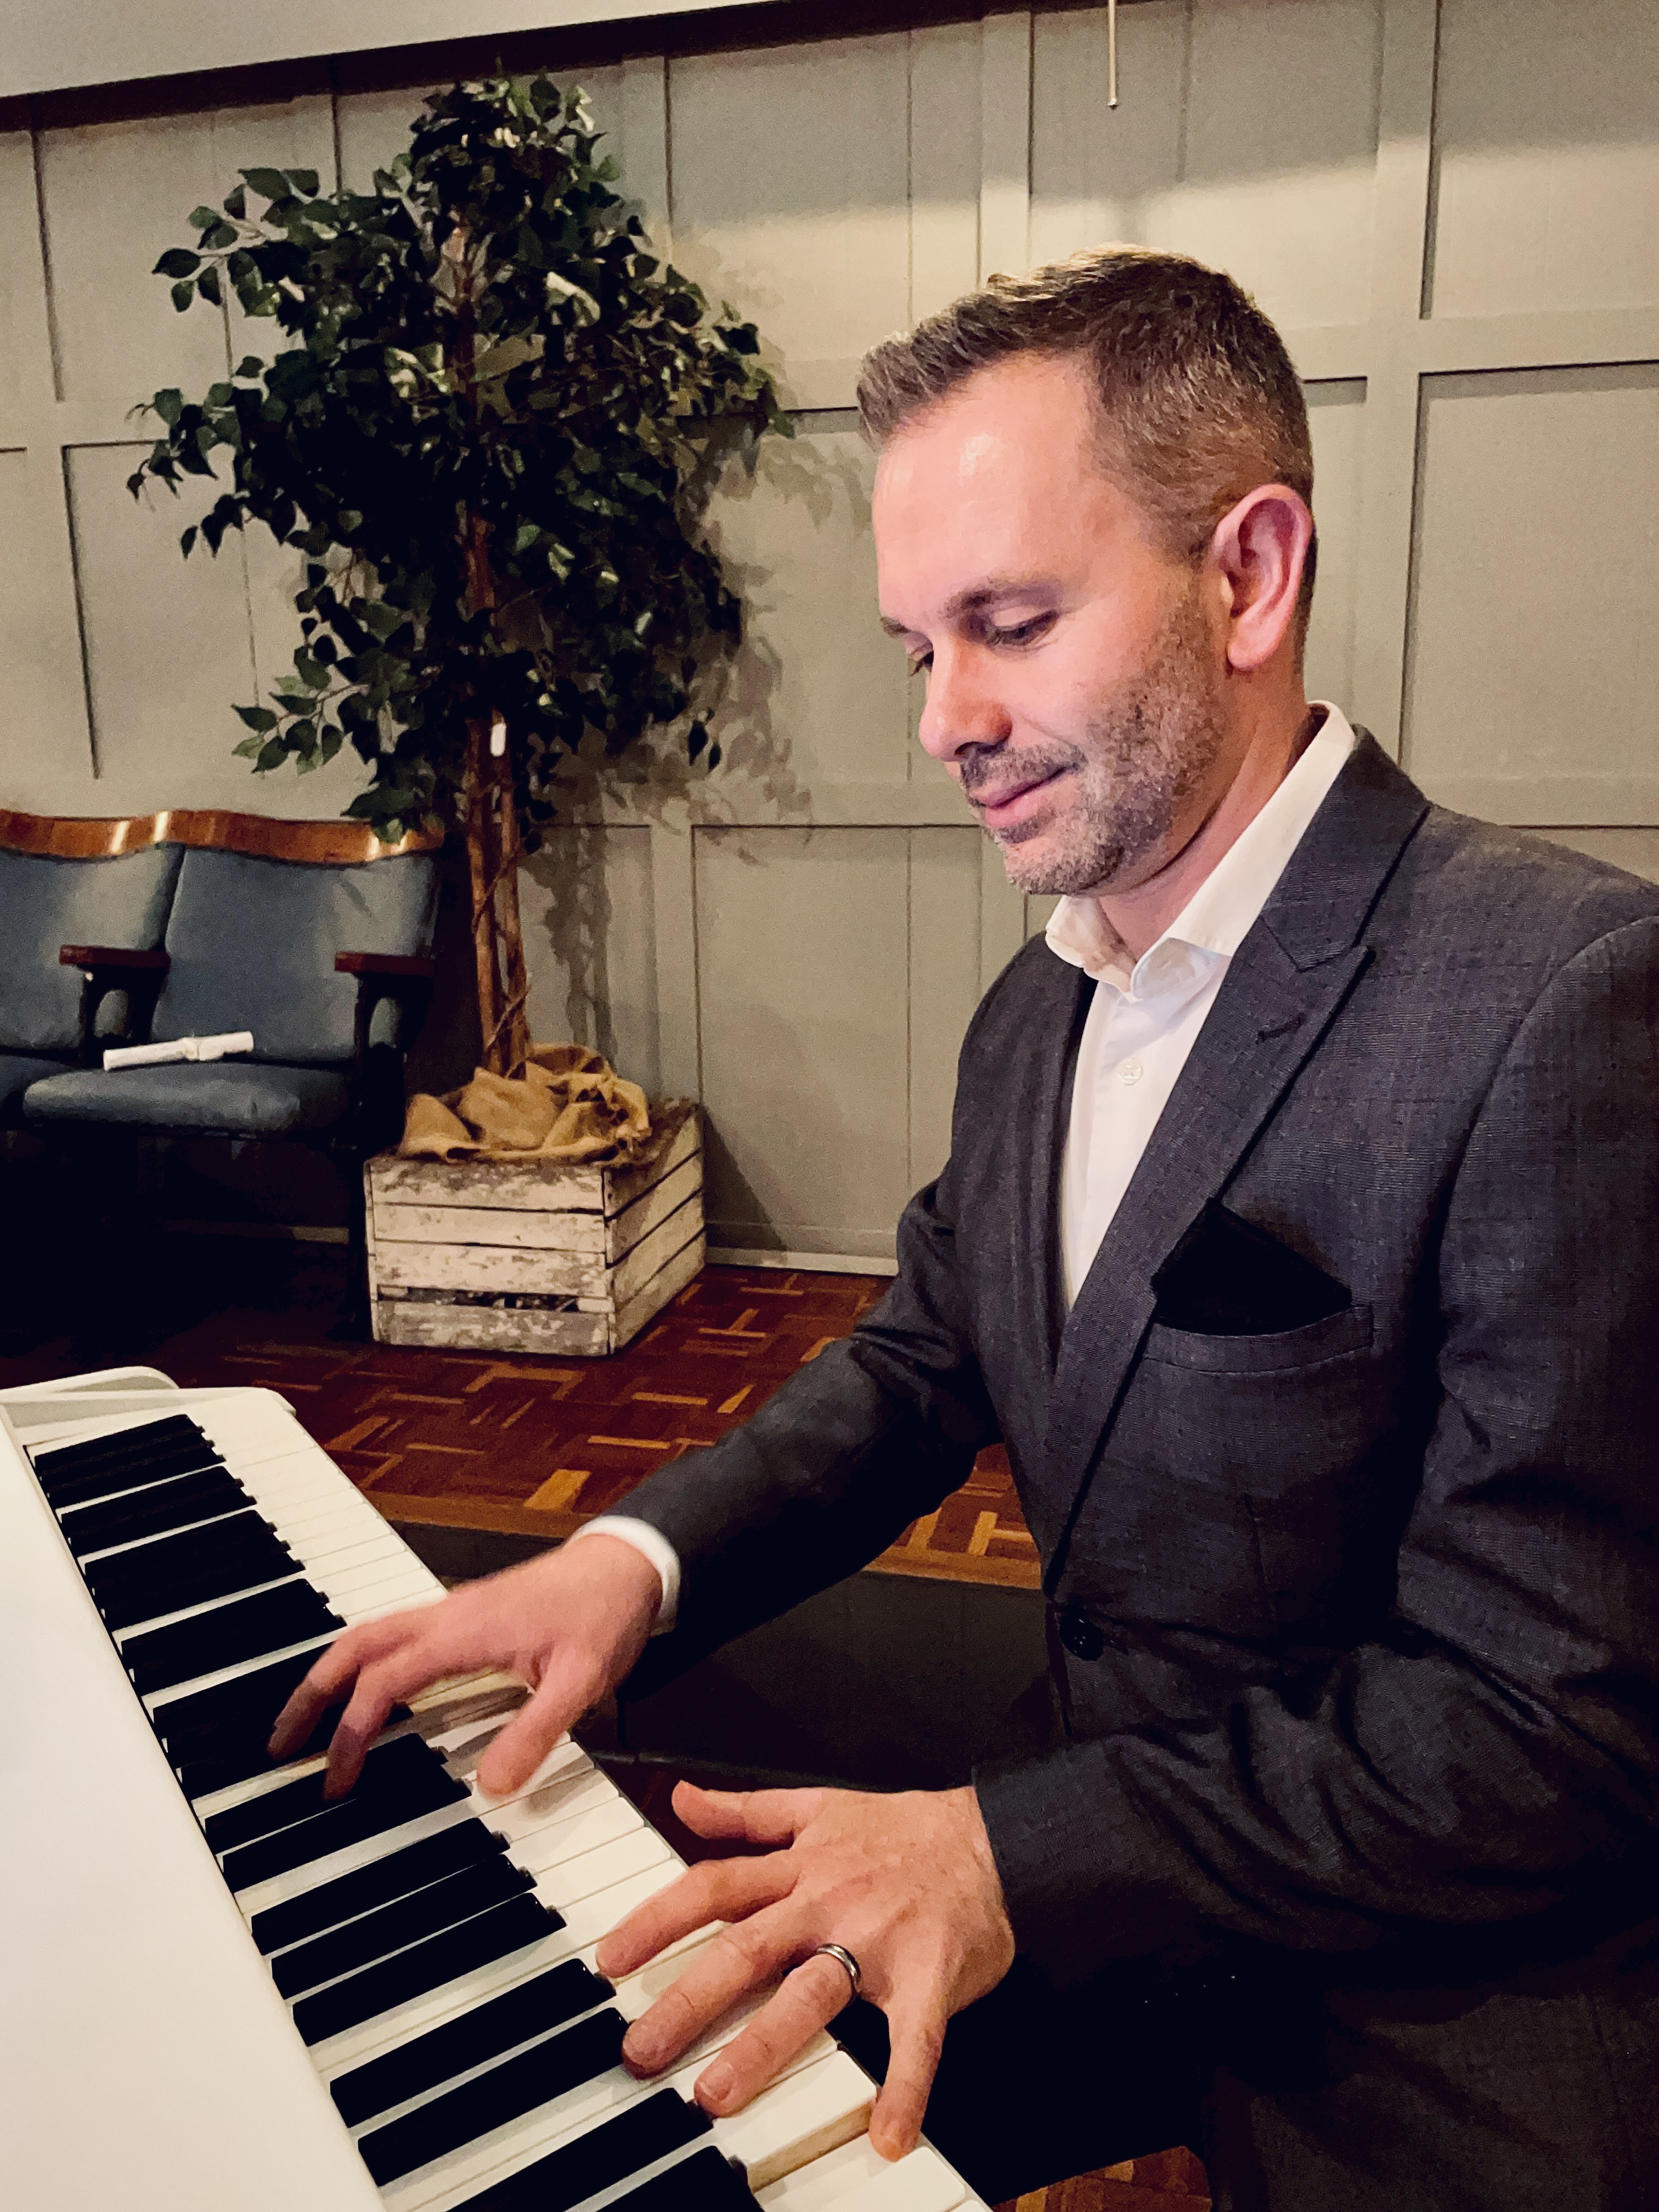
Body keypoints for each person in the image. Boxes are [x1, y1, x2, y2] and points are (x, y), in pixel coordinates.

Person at [270, 249, 1659, 2210]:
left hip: (1442, 1968)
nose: (945, 721)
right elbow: (927, 1362)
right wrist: (628, 1565)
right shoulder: (1045, 1002)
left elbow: (1550, 1729)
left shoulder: (1566, 999)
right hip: (1093, 1838)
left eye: (1008, 623)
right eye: (918, 646)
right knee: (616, 2105)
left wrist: (1007, 1854)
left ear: (1250, 574)